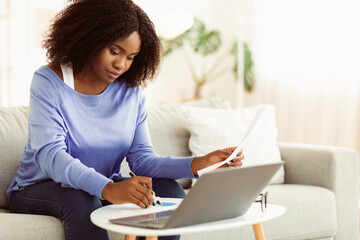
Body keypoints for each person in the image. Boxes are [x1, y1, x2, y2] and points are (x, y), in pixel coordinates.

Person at [6, 0, 244, 240]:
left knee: (170, 191)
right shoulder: (49, 81)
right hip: (37, 187)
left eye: (131, 57)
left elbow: (142, 160)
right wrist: (108, 189)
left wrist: (198, 163)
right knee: (81, 199)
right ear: (90, 38)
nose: (121, 65)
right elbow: (51, 156)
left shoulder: (131, 92)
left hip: (99, 188)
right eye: (115, 51)